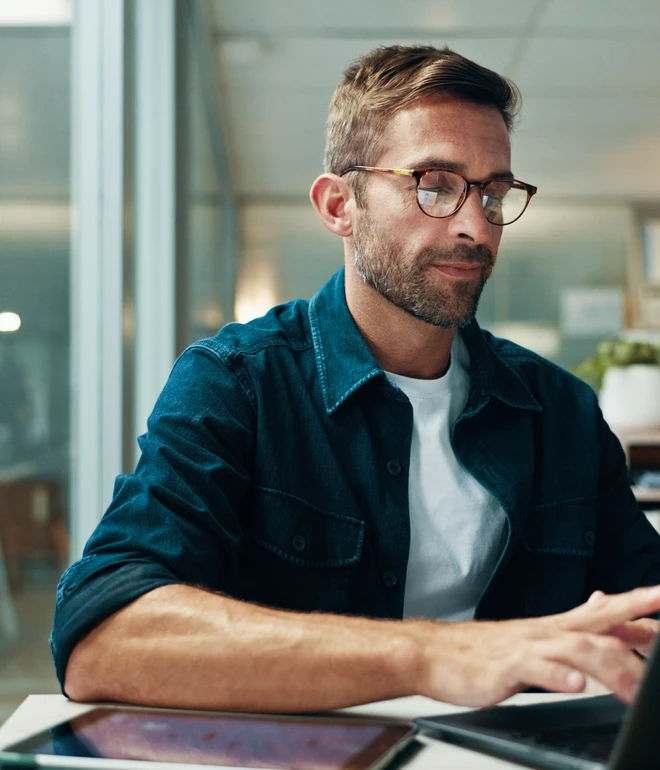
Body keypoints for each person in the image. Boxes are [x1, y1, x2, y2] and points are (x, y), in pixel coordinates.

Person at [53, 45, 660, 713]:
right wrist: (431, 655)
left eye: (493, 191)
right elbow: (101, 635)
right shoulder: (238, 385)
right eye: (434, 183)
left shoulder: (561, 409)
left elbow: (645, 601)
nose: (475, 224)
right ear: (339, 205)